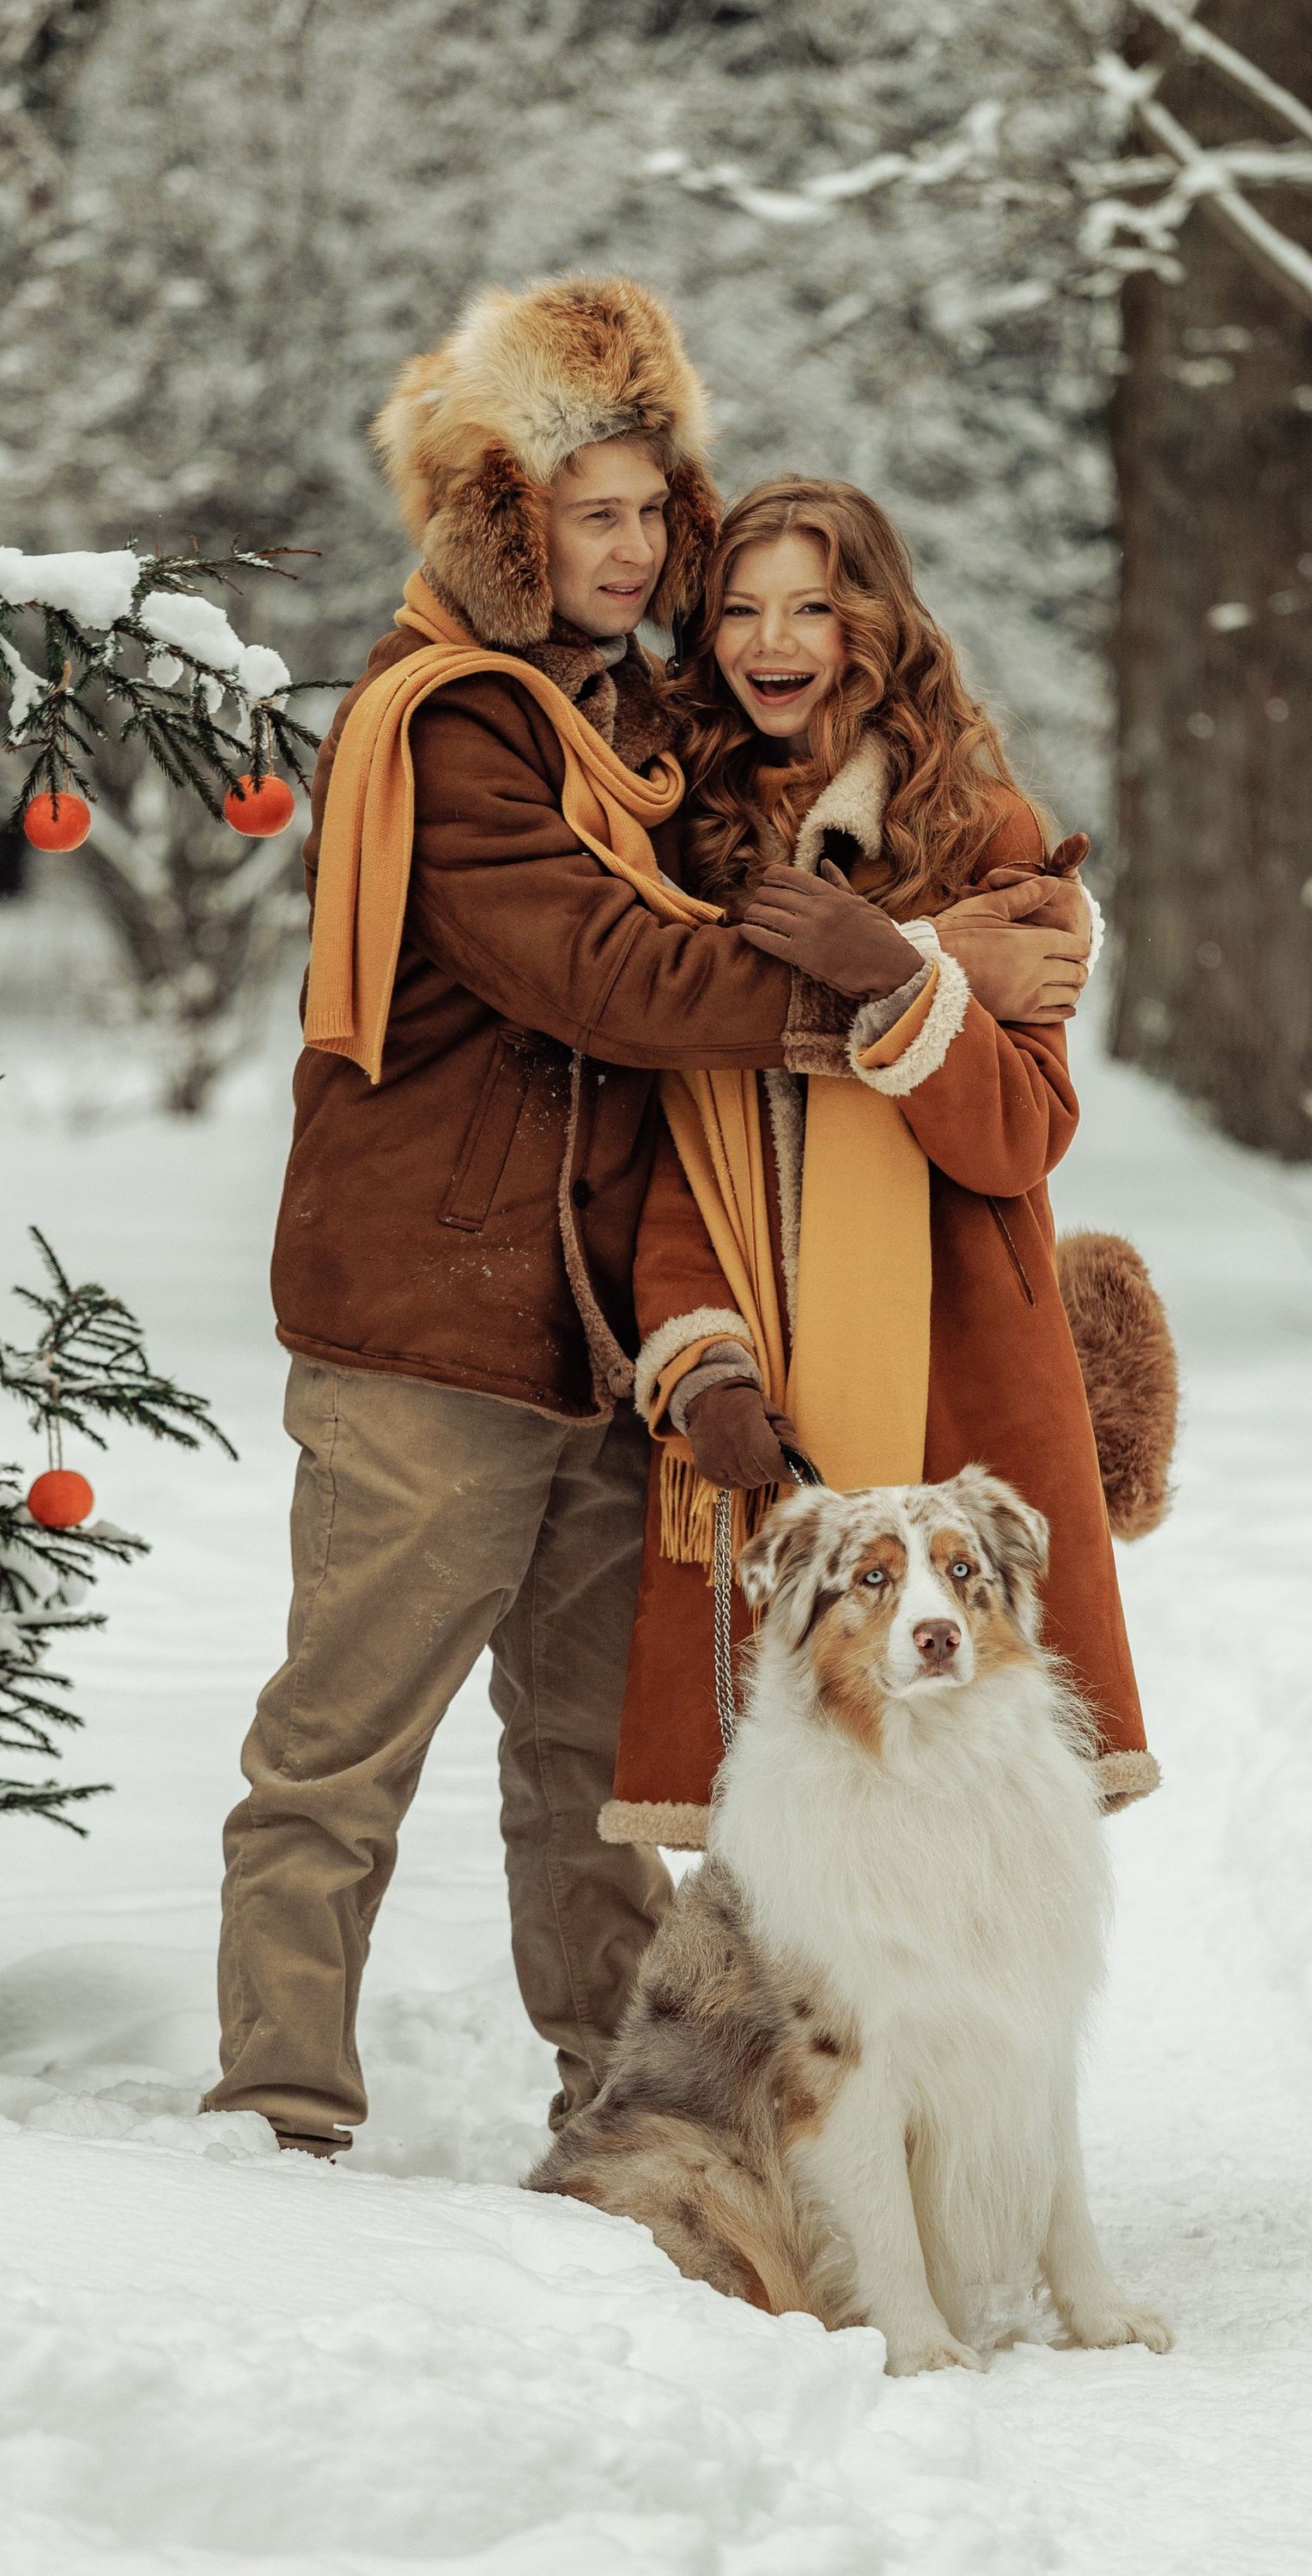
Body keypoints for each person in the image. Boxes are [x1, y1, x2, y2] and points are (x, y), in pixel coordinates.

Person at [202, 277, 1090, 2157]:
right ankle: (275, 2119)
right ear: (503, 525)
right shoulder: (454, 728)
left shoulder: (633, 734)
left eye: (644, 509)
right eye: (580, 511)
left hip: (607, 1344)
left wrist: (968, 939)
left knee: (590, 1775)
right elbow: (607, 978)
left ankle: (623, 2134)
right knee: (341, 1749)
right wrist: (918, 968)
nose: (624, 548)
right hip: (431, 1320)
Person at [601, 476, 1159, 1848]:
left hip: (956, 1365)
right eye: (739, 609)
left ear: (875, 622)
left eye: (811, 606)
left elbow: (1021, 1137)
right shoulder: (683, 839)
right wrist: (700, 1364)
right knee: (794, 1816)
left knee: (979, 1798)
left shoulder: (984, 833)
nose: (770, 641)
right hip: (769, 1373)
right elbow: (678, 1149)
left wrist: (893, 978)